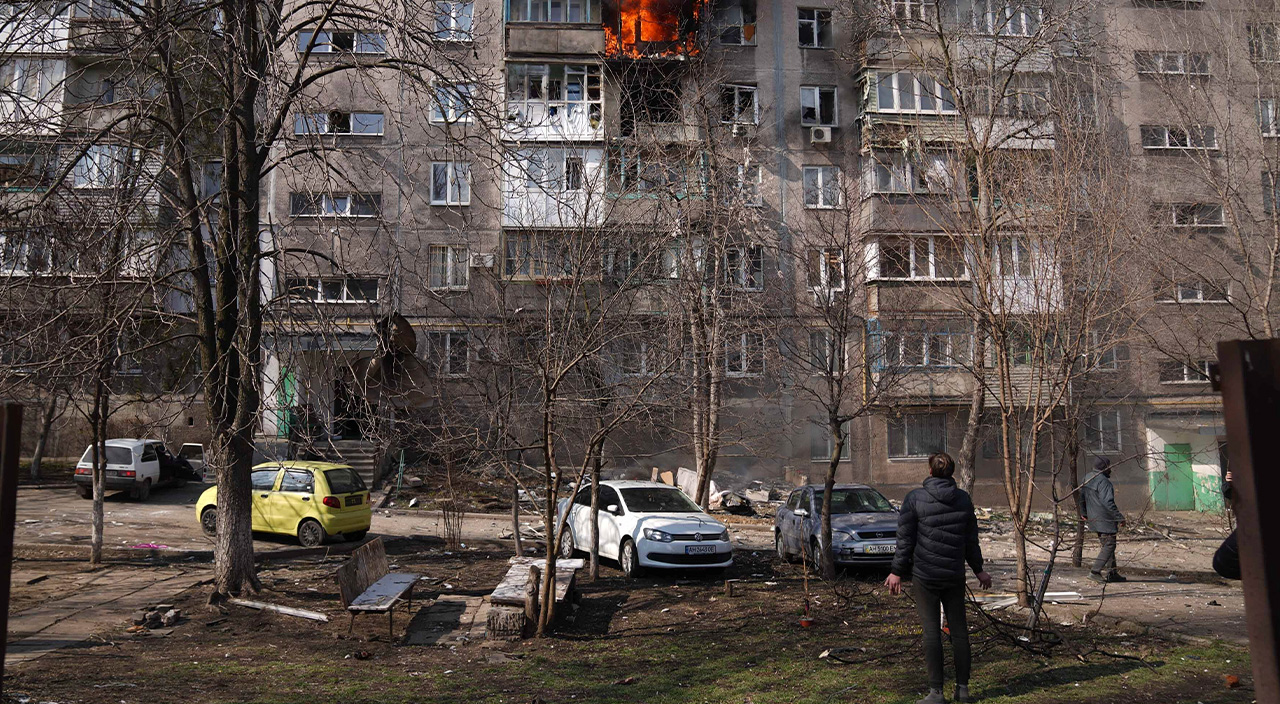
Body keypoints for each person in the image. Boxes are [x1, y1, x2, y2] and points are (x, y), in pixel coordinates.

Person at [884, 452, 992, 704]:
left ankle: (936, 693)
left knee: (931, 632)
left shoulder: (914, 499)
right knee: (960, 632)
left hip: (925, 576)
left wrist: (897, 571)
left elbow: (905, 540)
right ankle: (962, 690)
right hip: (954, 575)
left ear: (930, 471)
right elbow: (970, 541)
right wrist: (979, 570)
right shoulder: (963, 499)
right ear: (951, 472)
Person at [1081, 457, 1126, 583]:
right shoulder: (1104, 482)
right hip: (1104, 518)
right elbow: (1108, 502)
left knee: (1107, 545)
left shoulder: (1087, 477)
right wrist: (1119, 517)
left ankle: (1112, 573)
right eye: (1109, 466)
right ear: (1105, 467)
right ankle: (1095, 572)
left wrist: (1084, 512)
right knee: (1109, 544)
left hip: (1093, 518)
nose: (1110, 469)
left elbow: (1081, 496)